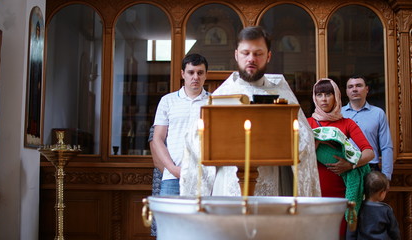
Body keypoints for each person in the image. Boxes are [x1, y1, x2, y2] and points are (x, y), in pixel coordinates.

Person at [180, 26, 321, 197]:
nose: (251, 59)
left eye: (258, 53)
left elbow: (304, 142)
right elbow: (196, 143)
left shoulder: (283, 95)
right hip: (229, 187)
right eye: (245, 53)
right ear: (236, 54)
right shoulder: (221, 96)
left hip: (271, 188)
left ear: (268, 56)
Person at [307, 78, 375, 238]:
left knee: (340, 234)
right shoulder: (307, 123)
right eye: (319, 94)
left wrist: (350, 165)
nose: (324, 99)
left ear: (336, 96)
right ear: (314, 98)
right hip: (315, 192)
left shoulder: (347, 123)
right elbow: (296, 155)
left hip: (342, 193)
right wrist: (314, 145)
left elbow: (369, 152)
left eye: (328, 94)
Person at [151, 53, 210, 196]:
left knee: (202, 218)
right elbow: (157, 138)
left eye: (200, 73)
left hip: (205, 176)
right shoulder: (167, 101)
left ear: (205, 75)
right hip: (172, 176)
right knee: (169, 218)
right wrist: (172, 168)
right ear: (183, 74)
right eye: (191, 72)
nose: (195, 77)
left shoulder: (213, 102)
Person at [342, 75, 394, 180]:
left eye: (359, 85)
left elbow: (386, 147)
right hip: (345, 167)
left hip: (371, 168)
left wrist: (386, 176)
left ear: (367, 89)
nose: (355, 89)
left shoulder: (378, 113)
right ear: (346, 91)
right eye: (350, 87)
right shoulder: (339, 114)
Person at [347, 171, 400, 239]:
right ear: (382, 193)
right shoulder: (386, 210)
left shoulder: (357, 208)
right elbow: (394, 232)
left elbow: (351, 231)